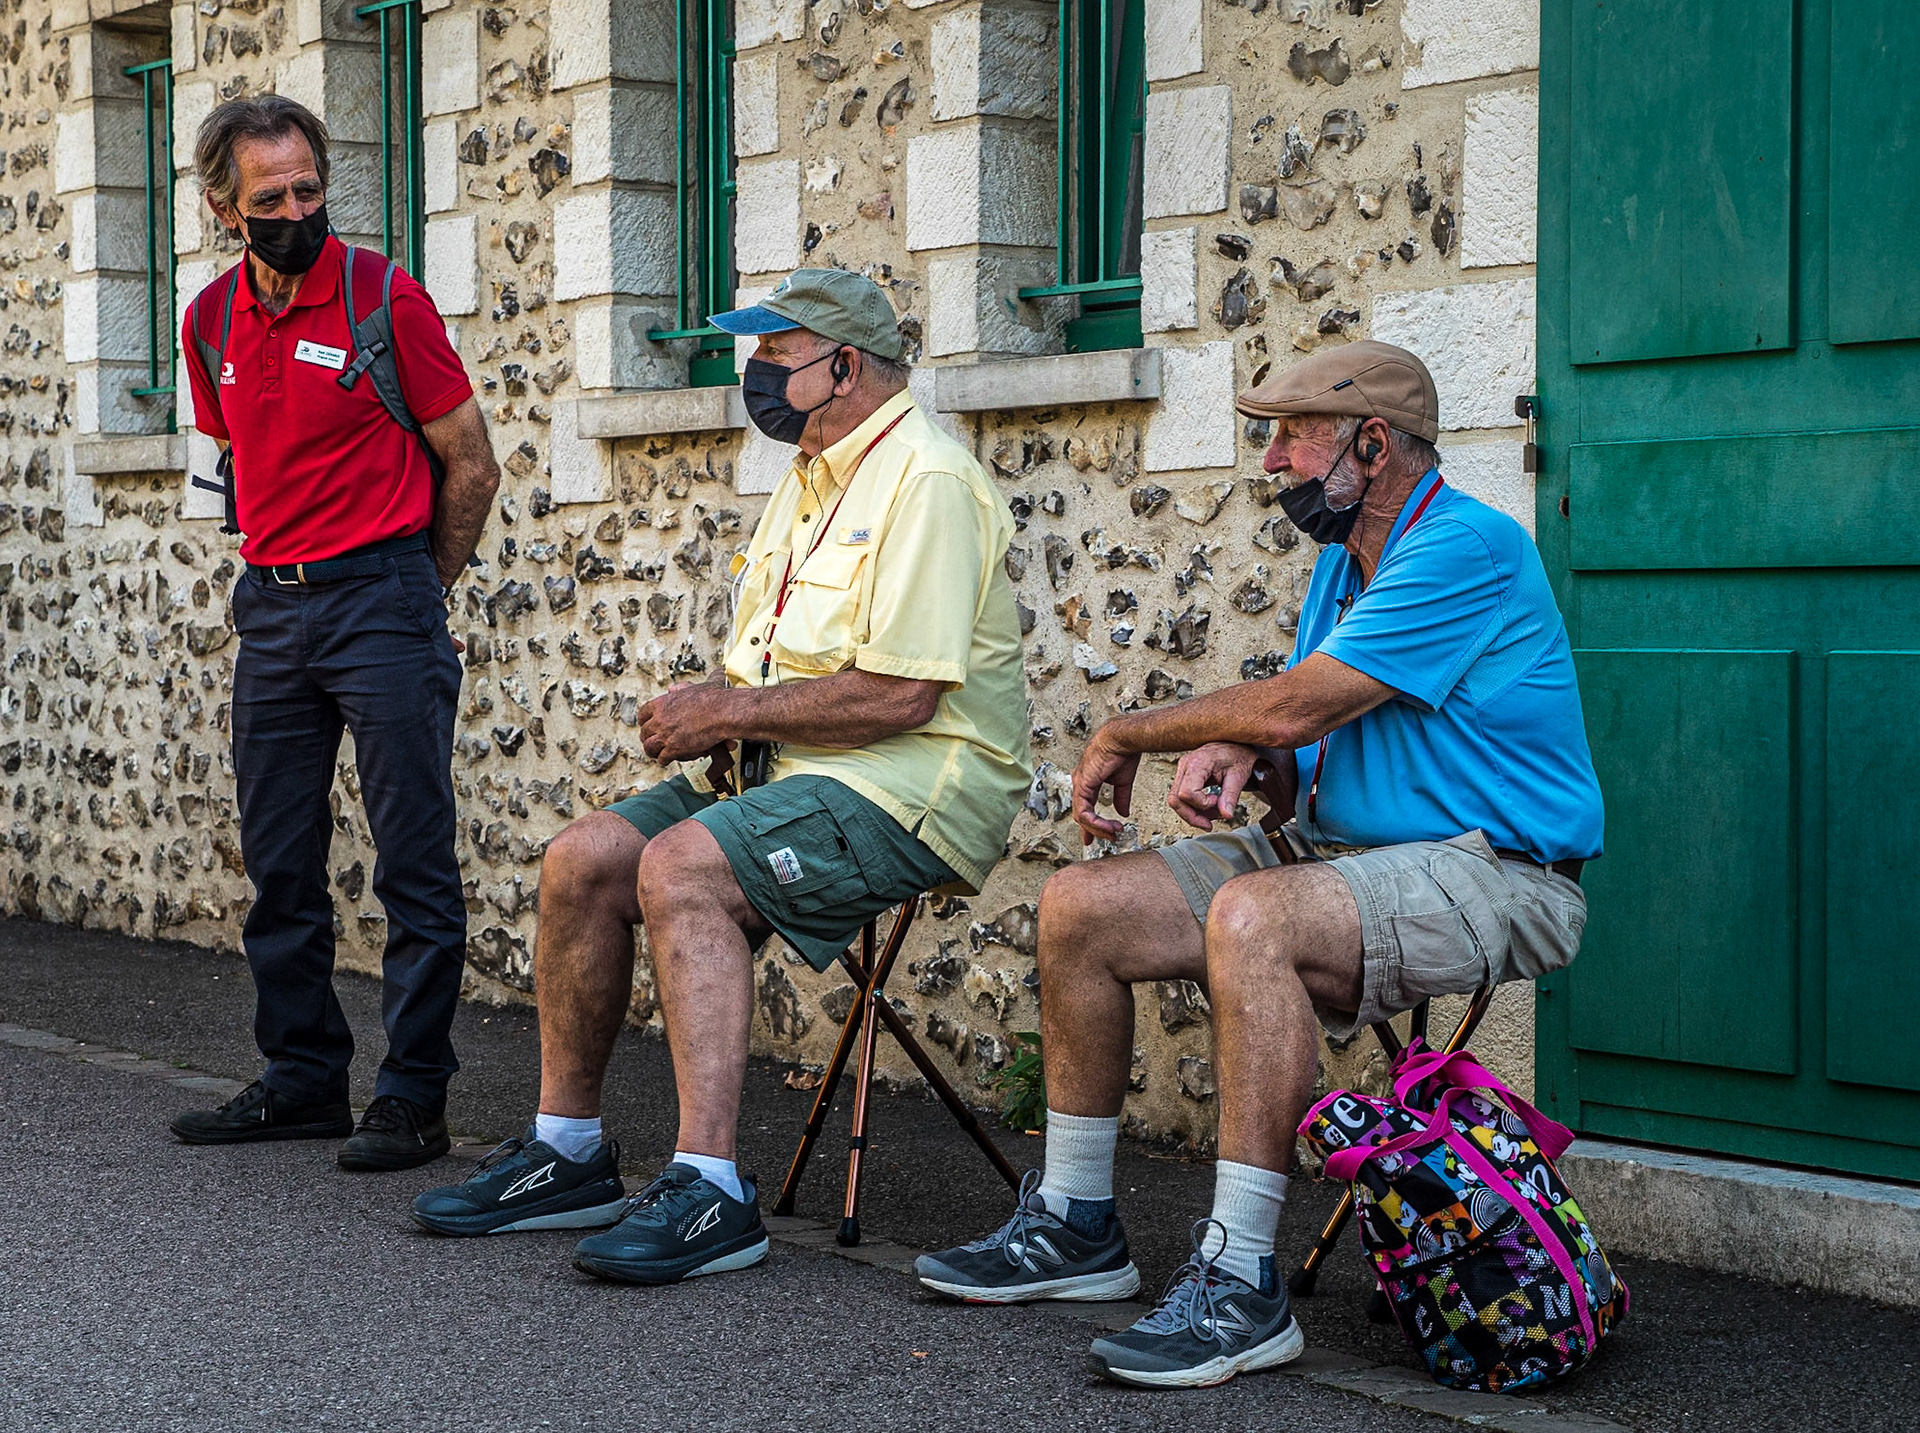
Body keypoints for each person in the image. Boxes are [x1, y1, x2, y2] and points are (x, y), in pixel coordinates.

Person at [914, 341, 1604, 1389]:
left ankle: (1240, 1282)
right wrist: (1253, 763)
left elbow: (1302, 699)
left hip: (1500, 872)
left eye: (1290, 434)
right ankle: (1075, 1221)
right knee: (1078, 907)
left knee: (1252, 916)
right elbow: (1315, 727)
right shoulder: (1341, 560)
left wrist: (1138, 731)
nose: (1270, 458)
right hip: (1344, 857)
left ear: (1372, 444)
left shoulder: (1469, 547)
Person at [410, 268, 1032, 1285]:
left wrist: (729, 710)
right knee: (584, 860)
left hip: (913, 785)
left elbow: (901, 697)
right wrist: (721, 701)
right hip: (786, 769)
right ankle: (567, 1153)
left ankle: (712, 1190)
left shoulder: (925, 478)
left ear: (845, 365)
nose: (756, 373)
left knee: (685, 867)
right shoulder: (816, 470)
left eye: (775, 353)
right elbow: (788, 661)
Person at [168, 97, 500, 1171]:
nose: (297, 211)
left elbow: (472, 462)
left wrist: (420, 588)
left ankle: (412, 1098)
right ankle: (303, 1078)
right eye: (271, 198)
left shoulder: (382, 297)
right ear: (225, 208)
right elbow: (233, 461)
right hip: (272, 604)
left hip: (382, 596)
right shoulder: (209, 319)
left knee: (411, 861)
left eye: (309, 189)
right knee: (279, 859)